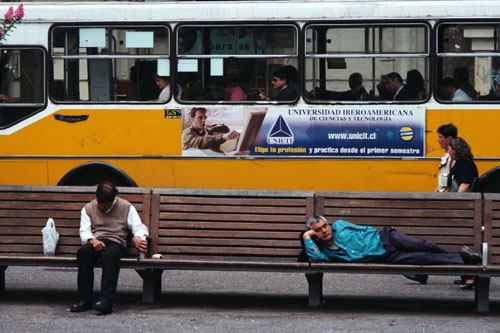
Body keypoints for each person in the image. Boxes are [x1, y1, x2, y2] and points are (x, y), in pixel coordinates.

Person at [302, 216, 482, 284]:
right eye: (318, 230)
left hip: (386, 238)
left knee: (421, 245)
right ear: (315, 235)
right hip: (385, 257)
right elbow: (316, 260)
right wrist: (306, 237)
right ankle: (466, 261)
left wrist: (372, 241)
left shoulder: (340, 226)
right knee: (424, 257)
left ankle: (464, 263)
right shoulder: (326, 253)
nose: (324, 230)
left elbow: (366, 229)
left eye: (325, 226)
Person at [70, 181, 149, 315]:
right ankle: (84, 300)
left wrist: (138, 237)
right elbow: (84, 230)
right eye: (99, 203)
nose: (101, 207)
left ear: (113, 200)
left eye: (105, 204)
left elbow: (139, 227)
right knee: (83, 253)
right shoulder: (88, 208)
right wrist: (92, 240)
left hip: (115, 242)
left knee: (109, 256)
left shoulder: (126, 207)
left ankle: (106, 301)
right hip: (96, 241)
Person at [435, 123, 458, 192]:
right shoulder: (446, 157)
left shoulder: (454, 159)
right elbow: (442, 184)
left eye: (440, 137)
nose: (437, 140)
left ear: (449, 139)